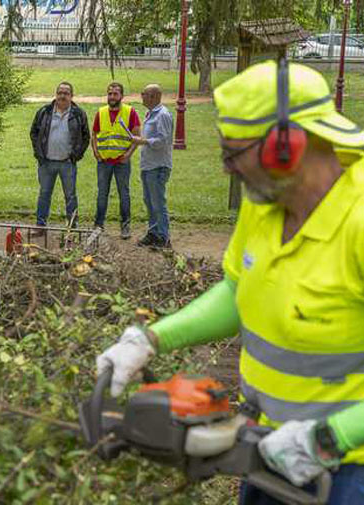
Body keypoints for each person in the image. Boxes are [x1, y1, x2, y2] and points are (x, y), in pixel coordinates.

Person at [95, 60, 364, 504]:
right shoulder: (267, 203)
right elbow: (239, 291)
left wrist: (330, 439)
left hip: (347, 467)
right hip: (269, 445)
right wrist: (150, 339)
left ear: (287, 146)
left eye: (234, 153)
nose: (226, 169)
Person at [29, 81, 90, 231]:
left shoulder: (78, 114)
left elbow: (86, 137)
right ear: (56, 94)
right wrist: (39, 153)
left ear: (71, 96)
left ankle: (72, 227)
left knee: (70, 196)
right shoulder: (44, 112)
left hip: (67, 163)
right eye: (60, 93)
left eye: (66, 93)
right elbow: (34, 132)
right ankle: (40, 225)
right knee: (44, 194)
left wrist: (76, 155)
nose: (62, 96)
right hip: (46, 162)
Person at [92, 82, 141, 239]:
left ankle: (125, 227)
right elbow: (94, 135)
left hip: (122, 162)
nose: (112, 96)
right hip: (104, 162)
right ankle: (98, 225)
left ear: (121, 96)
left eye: (115, 94)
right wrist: (96, 153)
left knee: (124, 194)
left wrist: (128, 155)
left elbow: (136, 137)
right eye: (110, 93)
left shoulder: (130, 112)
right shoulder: (101, 112)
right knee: (102, 194)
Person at [131, 84, 173, 248]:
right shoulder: (151, 114)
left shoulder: (162, 115)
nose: (141, 96)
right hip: (148, 165)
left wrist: (142, 141)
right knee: (149, 201)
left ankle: (163, 237)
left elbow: (163, 141)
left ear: (155, 96)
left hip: (158, 166)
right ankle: (153, 233)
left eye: (144, 93)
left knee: (158, 203)